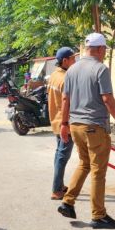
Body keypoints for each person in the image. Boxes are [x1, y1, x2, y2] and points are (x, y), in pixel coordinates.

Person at [57, 33, 115, 229]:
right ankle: (98, 215)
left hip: (75, 125)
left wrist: (64, 124)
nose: (104, 52)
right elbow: (107, 100)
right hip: (94, 127)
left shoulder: (72, 69)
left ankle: (67, 202)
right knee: (98, 171)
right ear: (99, 49)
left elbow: (65, 99)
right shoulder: (100, 69)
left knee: (84, 164)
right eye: (104, 49)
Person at [47, 47, 76, 200]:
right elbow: (67, 102)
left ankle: (59, 184)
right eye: (73, 59)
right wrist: (67, 123)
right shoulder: (66, 79)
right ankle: (56, 189)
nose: (75, 61)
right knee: (63, 156)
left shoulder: (54, 75)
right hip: (64, 122)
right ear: (65, 61)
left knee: (59, 154)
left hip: (56, 120)